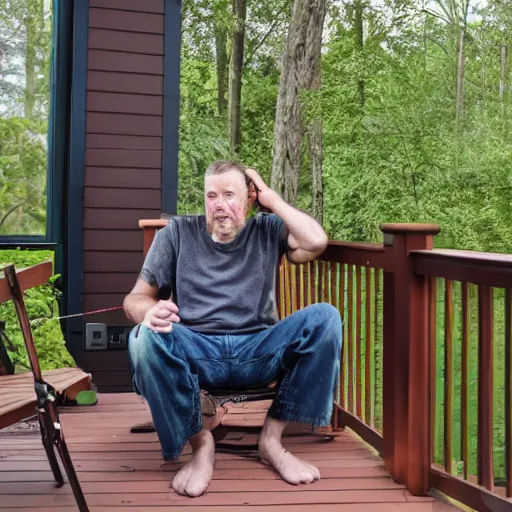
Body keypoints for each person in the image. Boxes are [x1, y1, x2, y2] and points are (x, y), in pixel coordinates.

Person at [123, 161, 342, 498]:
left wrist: (273, 199)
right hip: (196, 349)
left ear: (250, 200)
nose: (220, 205)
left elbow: (315, 240)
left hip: (258, 349)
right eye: (212, 195)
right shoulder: (177, 233)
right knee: (141, 338)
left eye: (229, 195)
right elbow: (134, 299)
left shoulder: (267, 230)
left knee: (325, 318)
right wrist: (150, 311)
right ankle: (201, 443)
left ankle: (271, 441)